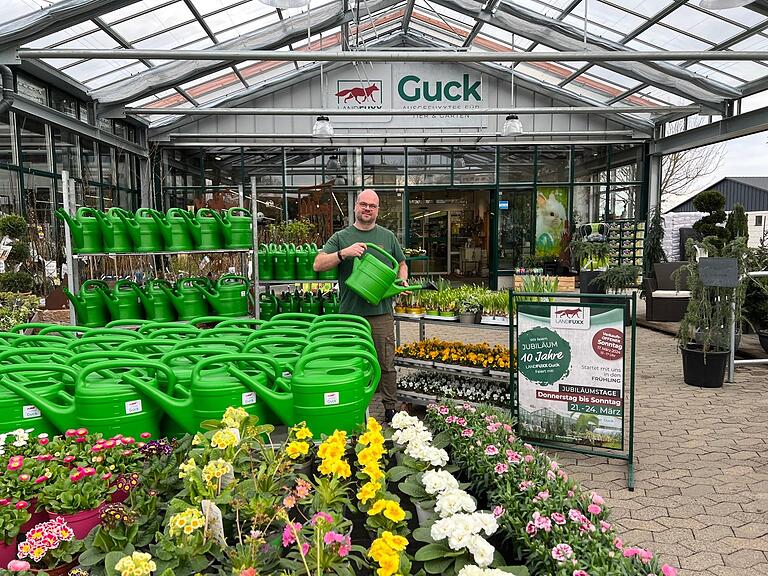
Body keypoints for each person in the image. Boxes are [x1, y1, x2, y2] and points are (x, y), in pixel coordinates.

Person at [313, 189, 407, 424]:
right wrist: (343, 254)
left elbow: (402, 262)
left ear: (378, 210)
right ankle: (352, 405)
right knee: (350, 362)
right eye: (363, 204)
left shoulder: (387, 237)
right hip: (350, 316)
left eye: (372, 206)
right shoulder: (342, 237)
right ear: (355, 207)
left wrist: (402, 279)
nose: (367, 209)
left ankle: (389, 408)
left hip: (381, 313)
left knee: (386, 363)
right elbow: (318, 264)